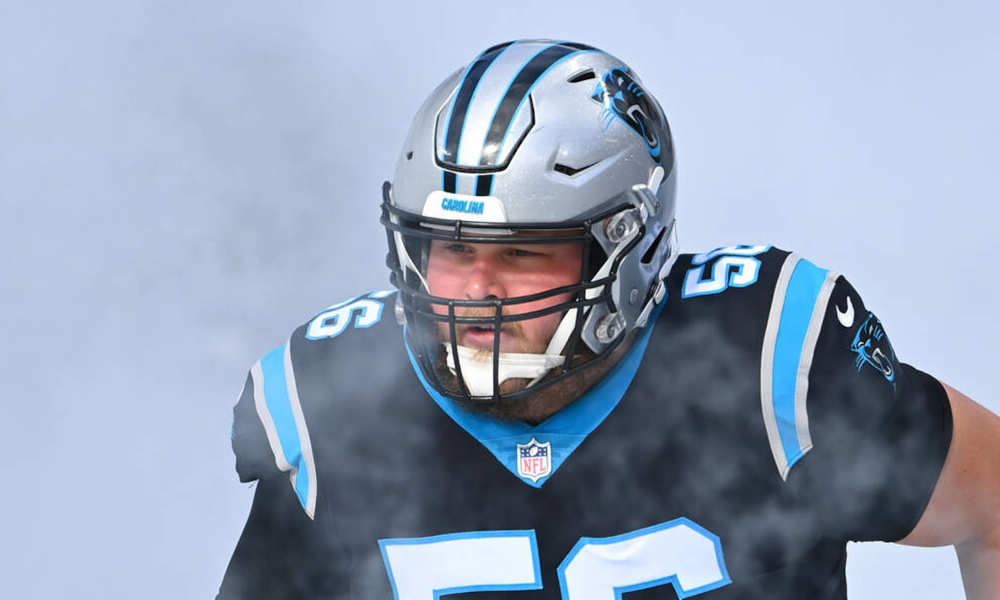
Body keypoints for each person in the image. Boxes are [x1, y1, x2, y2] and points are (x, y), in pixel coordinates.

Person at [217, 39, 1000, 599]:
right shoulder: (336, 406)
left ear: (628, 247)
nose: (476, 293)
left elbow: (992, 502)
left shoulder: (764, 359)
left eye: (523, 255)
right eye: (450, 249)